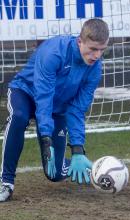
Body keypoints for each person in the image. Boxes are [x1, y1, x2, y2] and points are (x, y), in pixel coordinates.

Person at [0, 18, 109, 202]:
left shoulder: (95, 69)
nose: (97, 55)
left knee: (56, 174)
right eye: (93, 49)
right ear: (79, 41)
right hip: (26, 92)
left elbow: (76, 109)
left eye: (102, 50)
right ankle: (6, 182)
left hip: (58, 107)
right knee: (18, 117)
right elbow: (44, 99)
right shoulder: (54, 53)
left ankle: (92, 169)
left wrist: (77, 150)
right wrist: (46, 138)